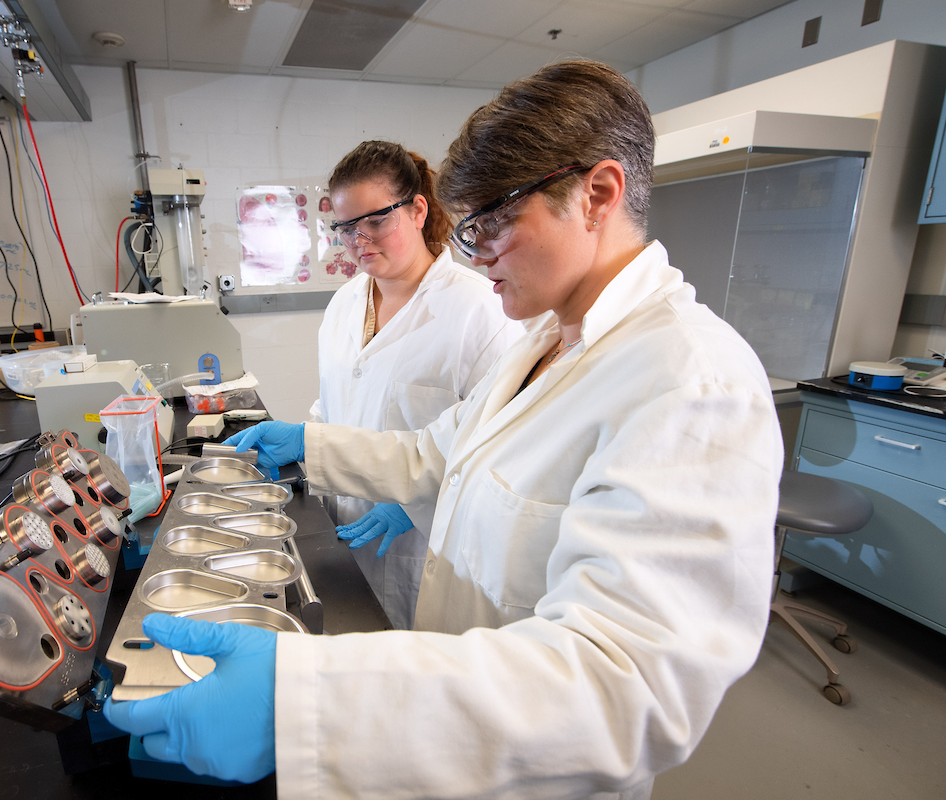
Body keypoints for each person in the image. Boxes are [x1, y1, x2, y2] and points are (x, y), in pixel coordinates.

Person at [104, 60, 783, 799]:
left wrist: (309, 707)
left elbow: (626, 688)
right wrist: (313, 443)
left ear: (598, 194)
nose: (475, 252)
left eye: (491, 223)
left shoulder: (692, 382)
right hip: (449, 729)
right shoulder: (544, 340)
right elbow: (434, 451)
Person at [311, 140, 523, 629]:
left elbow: (499, 444)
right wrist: (306, 448)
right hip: (342, 532)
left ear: (417, 210)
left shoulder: (482, 312)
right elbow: (333, 405)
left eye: (376, 220)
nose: (358, 239)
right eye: (345, 226)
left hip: (424, 550)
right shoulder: (343, 305)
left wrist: (412, 506)